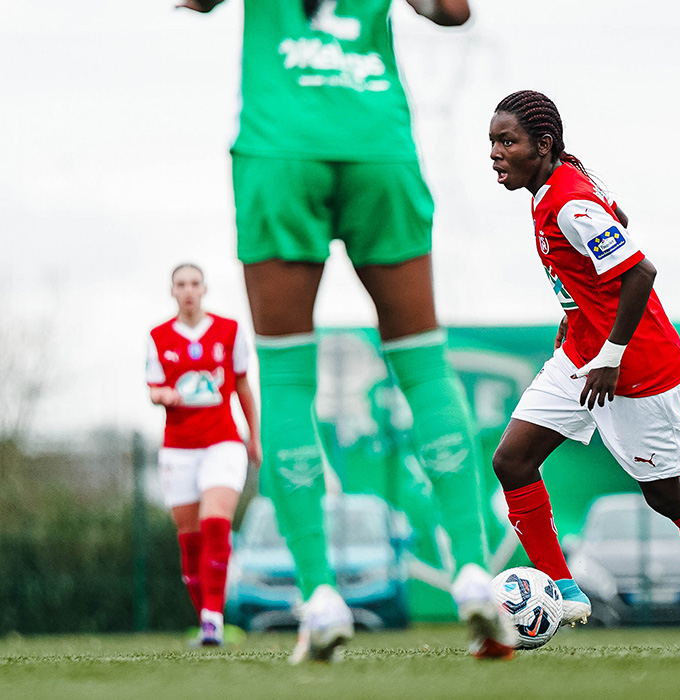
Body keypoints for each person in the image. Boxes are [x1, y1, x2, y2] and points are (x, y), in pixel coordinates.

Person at [176, 0, 506, 661]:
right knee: (424, 365)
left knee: (287, 376)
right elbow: (454, 10)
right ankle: (473, 571)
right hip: (376, 142)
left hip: (280, 147)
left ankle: (320, 596)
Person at [487, 90, 680, 648]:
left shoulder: (568, 201)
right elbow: (617, 226)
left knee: (668, 495)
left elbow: (639, 272)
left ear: (544, 145)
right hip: (582, 354)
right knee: (512, 460)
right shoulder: (555, 188)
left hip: (631, 368)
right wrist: (577, 320)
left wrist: (609, 354)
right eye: (492, 142)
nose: (496, 153)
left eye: (507, 141)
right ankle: (563, 588)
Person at [147, 263, 261, 647]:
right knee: (190, 539)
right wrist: (162, 395)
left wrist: (253, 436)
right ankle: (207, 621)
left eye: (195, 283)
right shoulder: (158, 336)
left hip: (223, 442)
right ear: (172, 291)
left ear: (205, 288)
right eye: (181, 284)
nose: (189, 290)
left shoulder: (228, 331)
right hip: (178, 449)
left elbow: (243, 386)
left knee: (216, 524)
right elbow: (153, 388)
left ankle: (213, 619)